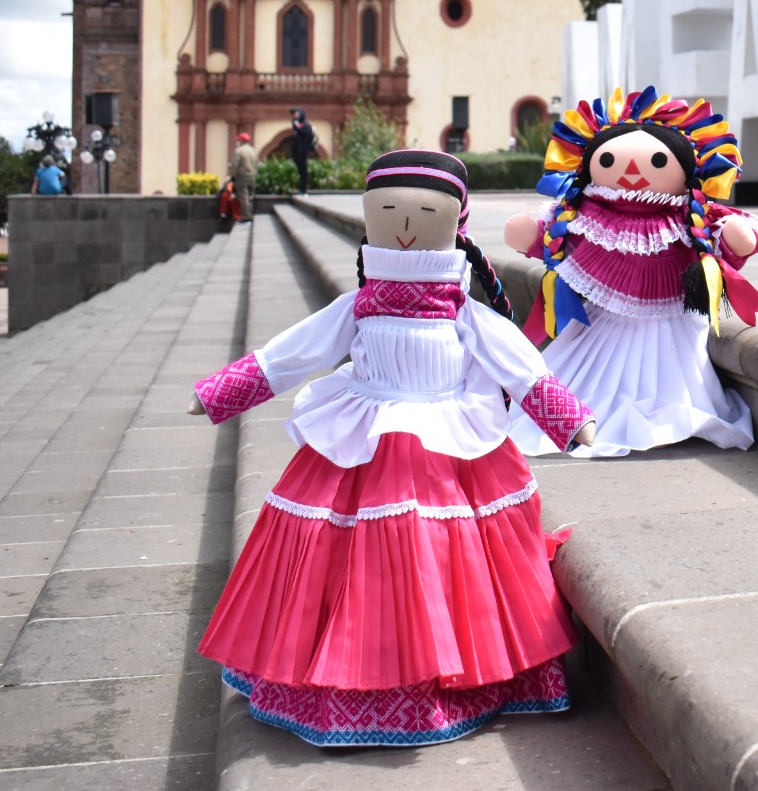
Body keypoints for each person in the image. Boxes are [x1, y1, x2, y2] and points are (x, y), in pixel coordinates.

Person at [186, 149, 597, 747]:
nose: (404, 225)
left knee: (437, 550)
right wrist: (224, 391)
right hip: (365, 430)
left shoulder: (463, 307)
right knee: (360, 552)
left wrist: (569, 420)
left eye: (424, 212)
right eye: (385, 211)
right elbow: (293, 352)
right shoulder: (359, 303)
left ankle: (447, 678)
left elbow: (521, 367)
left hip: (445, 441)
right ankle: (359, 676)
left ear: (454, 220)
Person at [507, 86, 758, 458]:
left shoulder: (686, 215)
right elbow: (555, 239)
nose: (631, 172)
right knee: (581, 375)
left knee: (666, 377)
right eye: (611, 160)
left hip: (669, 319)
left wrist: (734, 237)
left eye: (658, 163)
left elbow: (723, 241)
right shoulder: (586, 214)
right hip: (601, 320)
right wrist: (532, 234)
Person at [229, 132, 259, 222]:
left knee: (243, 196)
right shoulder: (252, 150)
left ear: (241, 140)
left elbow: (235, 165)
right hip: (253, 175)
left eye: (238, 140)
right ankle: (251, 214)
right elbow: (257, 163)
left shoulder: (239, 151)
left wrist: (233, 176)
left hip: (242, 176)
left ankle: (246, 216)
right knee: (250, 196)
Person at [289, 109, 316, 194]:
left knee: (303, 170)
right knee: (301, 170)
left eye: (296, 114)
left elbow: (304, 131)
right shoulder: (296, 124)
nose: (295, 117)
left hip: (303, 151)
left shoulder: (306, 125)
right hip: (297, 151)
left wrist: (297, 125)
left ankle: (303, 189)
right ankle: (301, 188)